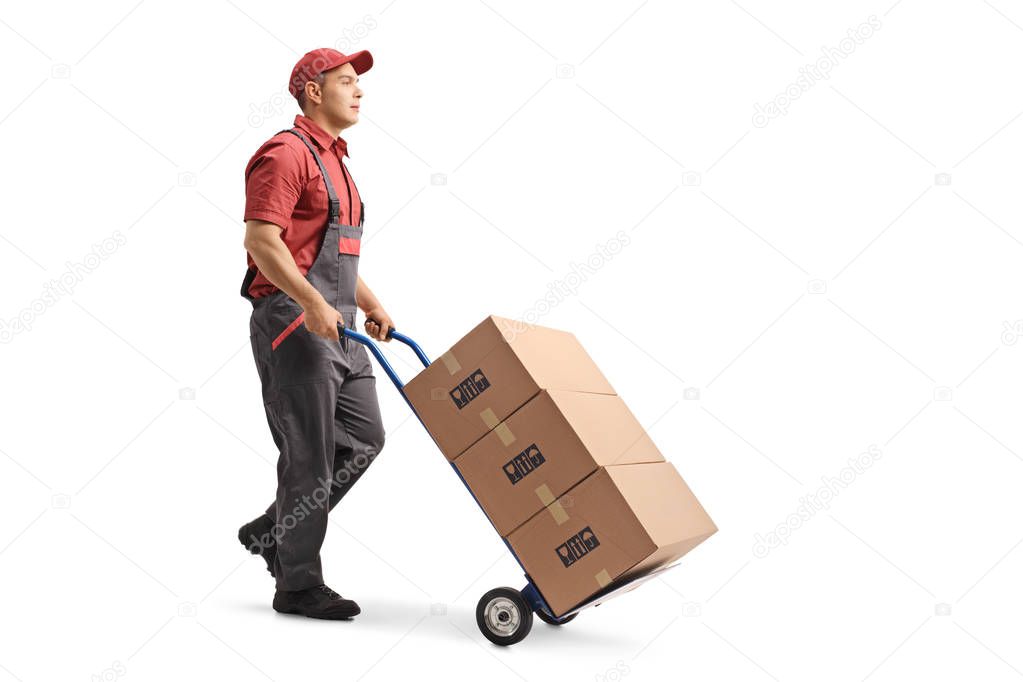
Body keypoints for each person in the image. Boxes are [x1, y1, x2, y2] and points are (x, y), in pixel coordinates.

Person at [236, 47, 395, 620]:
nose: (359, 91)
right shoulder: (286, 154)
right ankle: (297, 584)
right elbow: (262, 241)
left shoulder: (339, 163)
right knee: (310, 457)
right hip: (294, 322)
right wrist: (309, 303)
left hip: (340, 325)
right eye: (346, 81)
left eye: (359, 83)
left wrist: (370, 303)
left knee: (363, 439)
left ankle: (273, 529)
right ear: (311, 90)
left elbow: (331, 250)